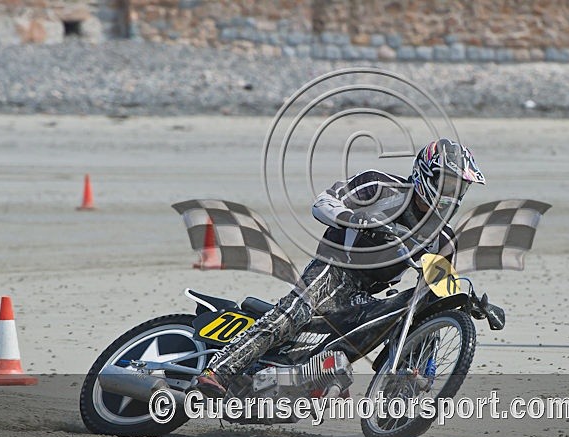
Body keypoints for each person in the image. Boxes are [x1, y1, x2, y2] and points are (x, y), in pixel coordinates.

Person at [195, 138, 486, 397]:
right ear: (426, 173)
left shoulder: (444, 238)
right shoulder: (380, 186)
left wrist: (467, 305)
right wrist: (354, 218)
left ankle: (400, 380)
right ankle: (219, 369)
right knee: (295, 312)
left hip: (364, 293)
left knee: (416, 307)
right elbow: (323, 203)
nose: (452, 193)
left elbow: (437, 287)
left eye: (460, 187)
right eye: (448, 183)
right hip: (334, 267)